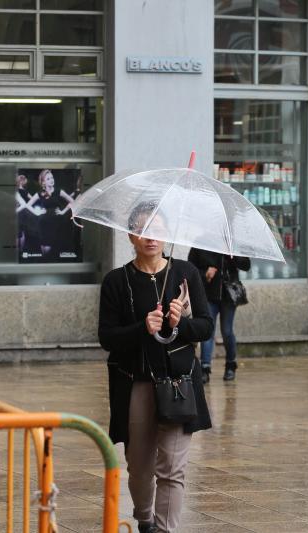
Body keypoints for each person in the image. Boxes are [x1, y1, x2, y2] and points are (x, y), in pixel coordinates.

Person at [98, 203, 213, 533]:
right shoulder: (117, 281)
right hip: (137, 383)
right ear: (131, 235)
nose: (151, 238)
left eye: (158, 230)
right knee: (140, 466)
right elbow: (107, 337)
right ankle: (145, 519)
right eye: (144, 230)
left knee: (173, 468)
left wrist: (181, 324)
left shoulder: (185, 274)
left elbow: (206, 327)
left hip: (179, 384)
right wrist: (142, 328)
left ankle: (163, 530)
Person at [187, 248, 250, 382]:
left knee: (227, 331)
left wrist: (233, 256)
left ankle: (230, 365)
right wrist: (205, 274)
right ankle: (205, 368)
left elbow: (246, 265)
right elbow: (190, 269)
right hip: (208, 295)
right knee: (208, 332)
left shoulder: (232, 244)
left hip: (229, 296)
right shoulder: (201, 244)